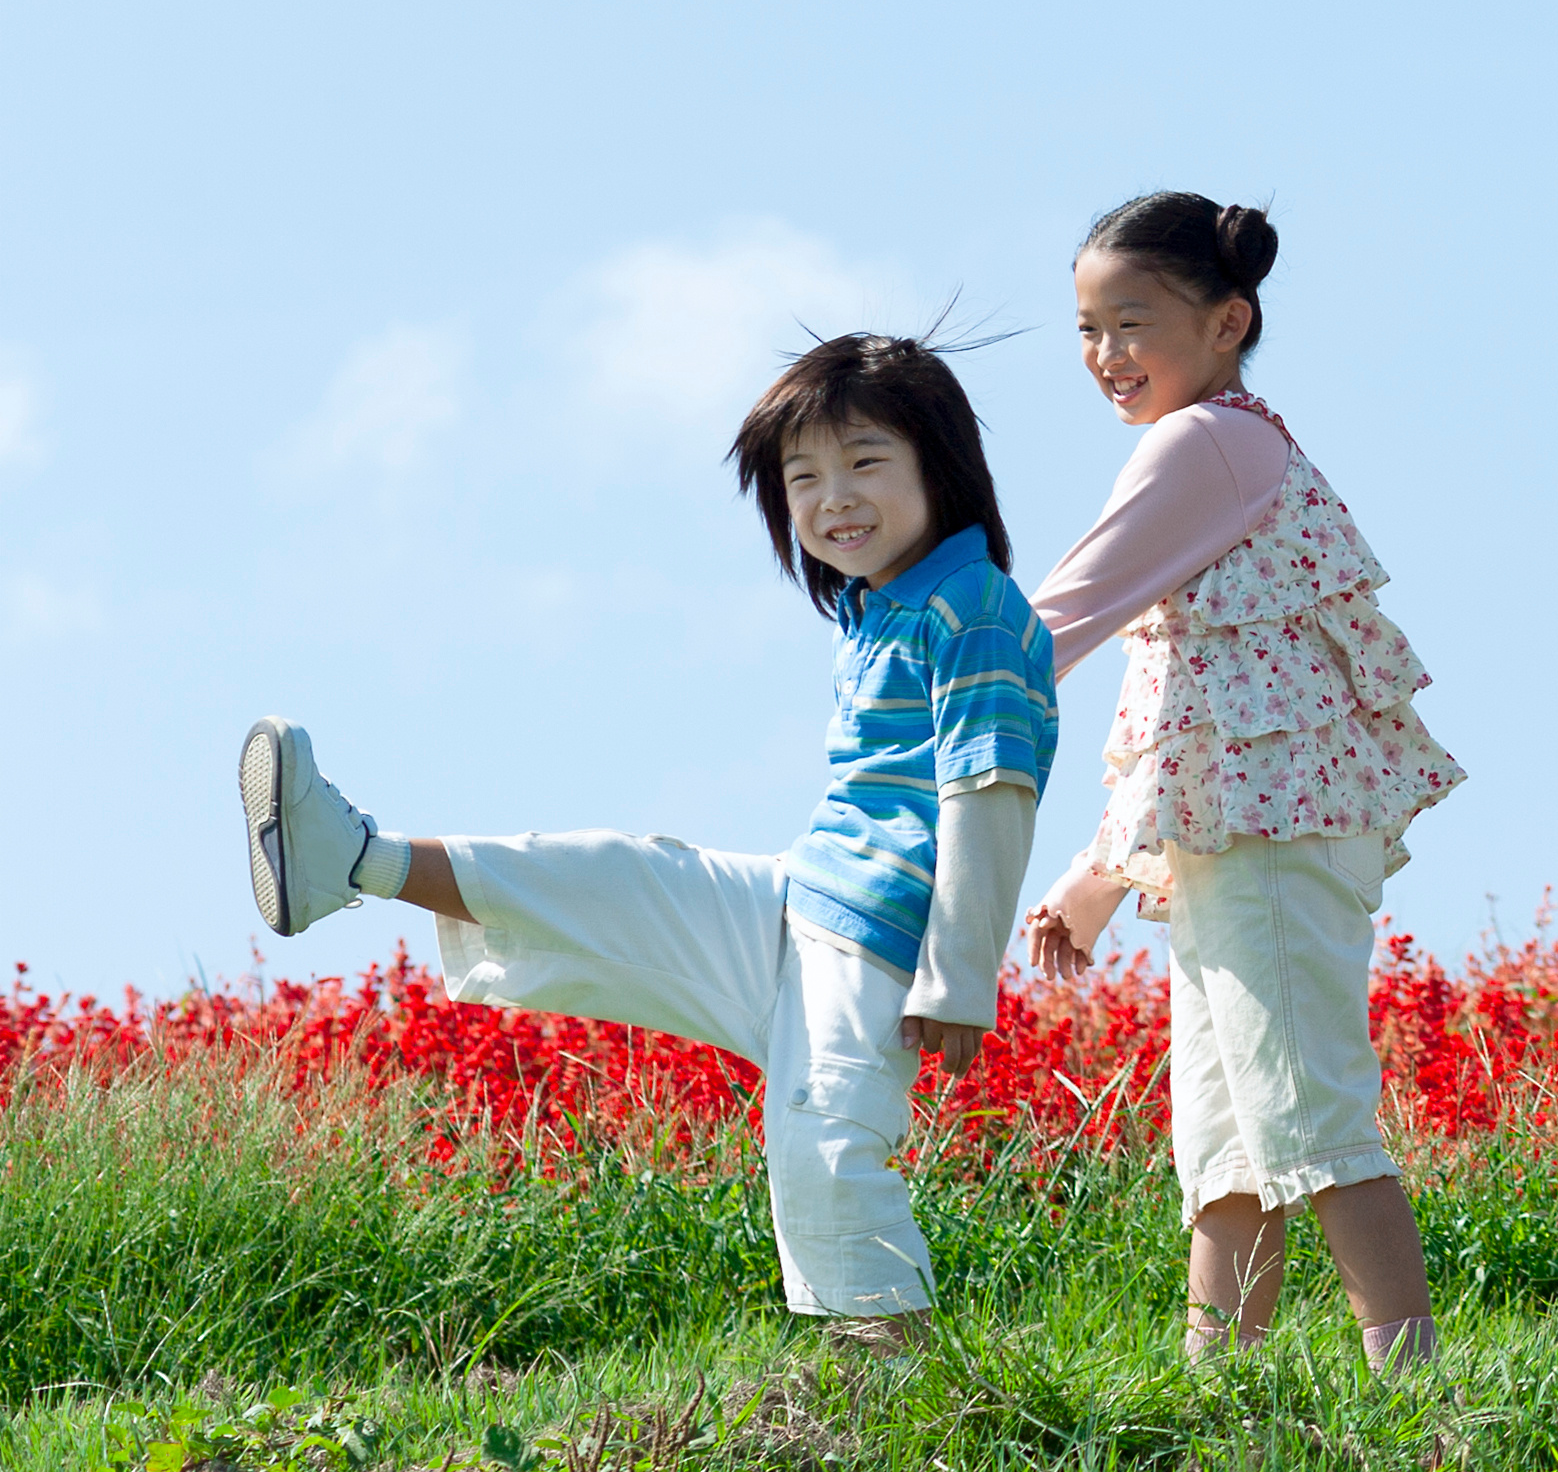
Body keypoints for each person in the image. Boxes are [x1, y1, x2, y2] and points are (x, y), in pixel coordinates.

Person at [235, 333, 1055, 1353]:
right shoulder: (874, 610)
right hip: (804, 896)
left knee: (825, 1143)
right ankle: (352, 860)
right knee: (614, 877)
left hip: (881, 938)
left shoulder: (972, 608)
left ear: (942, 465)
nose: (832, 498)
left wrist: (959, 973)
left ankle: (904, 1394)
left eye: (864, 462)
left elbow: (990, 796)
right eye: (802, 478)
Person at [1017, 194, 1468, 1367]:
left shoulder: (1203, 442)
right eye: (1085, 329)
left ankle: (1414, 1392)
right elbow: (1181, 719)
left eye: (1132, 321)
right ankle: (1213, 1388)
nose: (1106, 355)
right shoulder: (1225, 439)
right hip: (1247, 832)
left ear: (1228, 321)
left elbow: (1066, 611)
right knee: (1225, 1140)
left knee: (1306, 1111)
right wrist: (1098, 873)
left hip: (1275, 834)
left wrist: (943, 679)